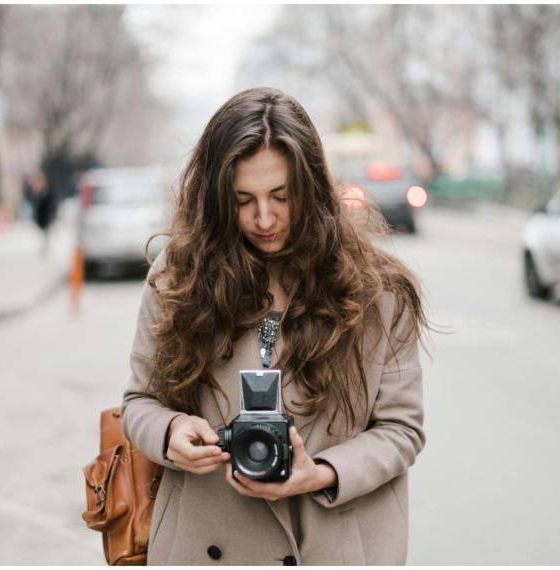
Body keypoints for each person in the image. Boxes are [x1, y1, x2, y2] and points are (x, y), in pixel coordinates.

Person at [122, 87, 430, 565]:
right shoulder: (177, 280)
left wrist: (323, 471)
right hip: (207, 542)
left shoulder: (376, 290)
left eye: (281, 197)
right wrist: (171, 432)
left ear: (312, 190)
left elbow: (401, 429)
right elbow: (138, 402)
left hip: (333, 544)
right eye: (243, 200)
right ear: (217, 199)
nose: (264, 218)